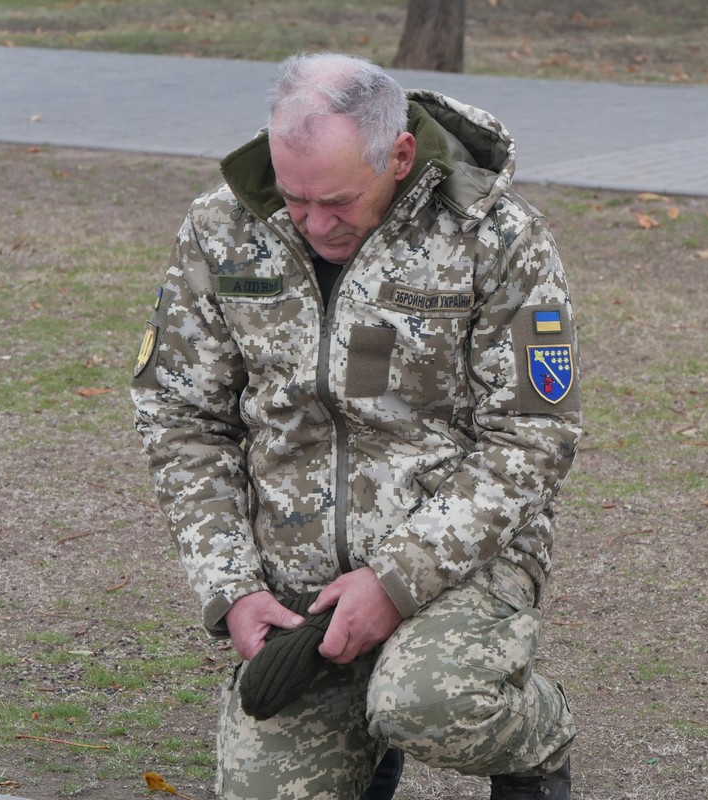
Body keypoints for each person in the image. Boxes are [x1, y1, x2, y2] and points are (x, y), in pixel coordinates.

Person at [131, 51, 582, 800]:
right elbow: (182, 419)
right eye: (293, 197)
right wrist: (233, 588)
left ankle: (537, 742)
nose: (311, 223)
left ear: (400, 155)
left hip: (460, 559)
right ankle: (365, 743)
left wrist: (396, 580)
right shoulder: (222, 228)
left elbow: (532, 436)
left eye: (336, 201)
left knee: (429, 705)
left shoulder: (495, 235)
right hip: (295, 582)